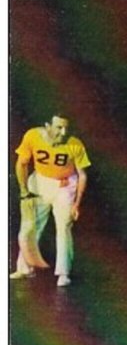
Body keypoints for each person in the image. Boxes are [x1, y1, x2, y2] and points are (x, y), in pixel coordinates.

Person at [11, 114, 91, 287]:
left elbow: (82, 175)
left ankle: (63, 273)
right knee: (30, 226)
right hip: (40, 182)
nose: (63, 132)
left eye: (66, 128)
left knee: (63, 227)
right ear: (48, 125)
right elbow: (21, 163)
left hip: (65, 186)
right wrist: (24, 191)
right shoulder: (32, 136)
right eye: (59, 127)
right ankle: (24, 267)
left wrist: (77, 203)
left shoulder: (75, 144)